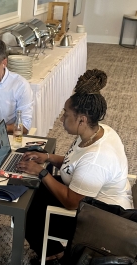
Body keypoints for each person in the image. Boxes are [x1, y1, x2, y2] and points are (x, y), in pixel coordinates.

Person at [17, 69, 133, 265]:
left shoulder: (97, 158)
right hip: (85, 197)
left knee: (25, 207)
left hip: (99, 220)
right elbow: (75, 163)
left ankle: (54, 255)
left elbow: (72, 202)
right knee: (28, 188)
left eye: (66, 114)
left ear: (82, 119)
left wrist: (42, 172)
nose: (62, 118)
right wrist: (47, 157)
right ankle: (49, 248)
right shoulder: (97, 132)